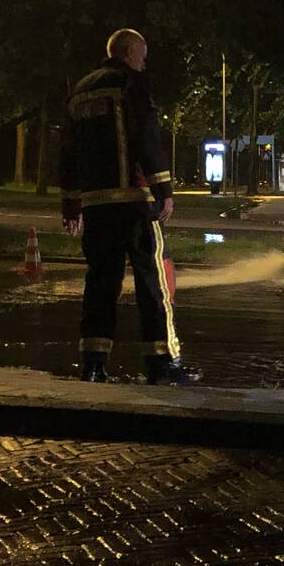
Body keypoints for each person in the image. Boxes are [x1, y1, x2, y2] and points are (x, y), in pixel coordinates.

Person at [59, 28, 199, 385]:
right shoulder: (131, 84)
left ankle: (92, 363)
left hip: (96, 205)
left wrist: (71, 202)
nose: (144, 61)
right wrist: (163, 188)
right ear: (128, 53)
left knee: (100, 284)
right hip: (135, 204)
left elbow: (69, 151)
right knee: (152, 283)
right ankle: (161, 364)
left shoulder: (80, 91)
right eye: (142, 54)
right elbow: (146, 136)